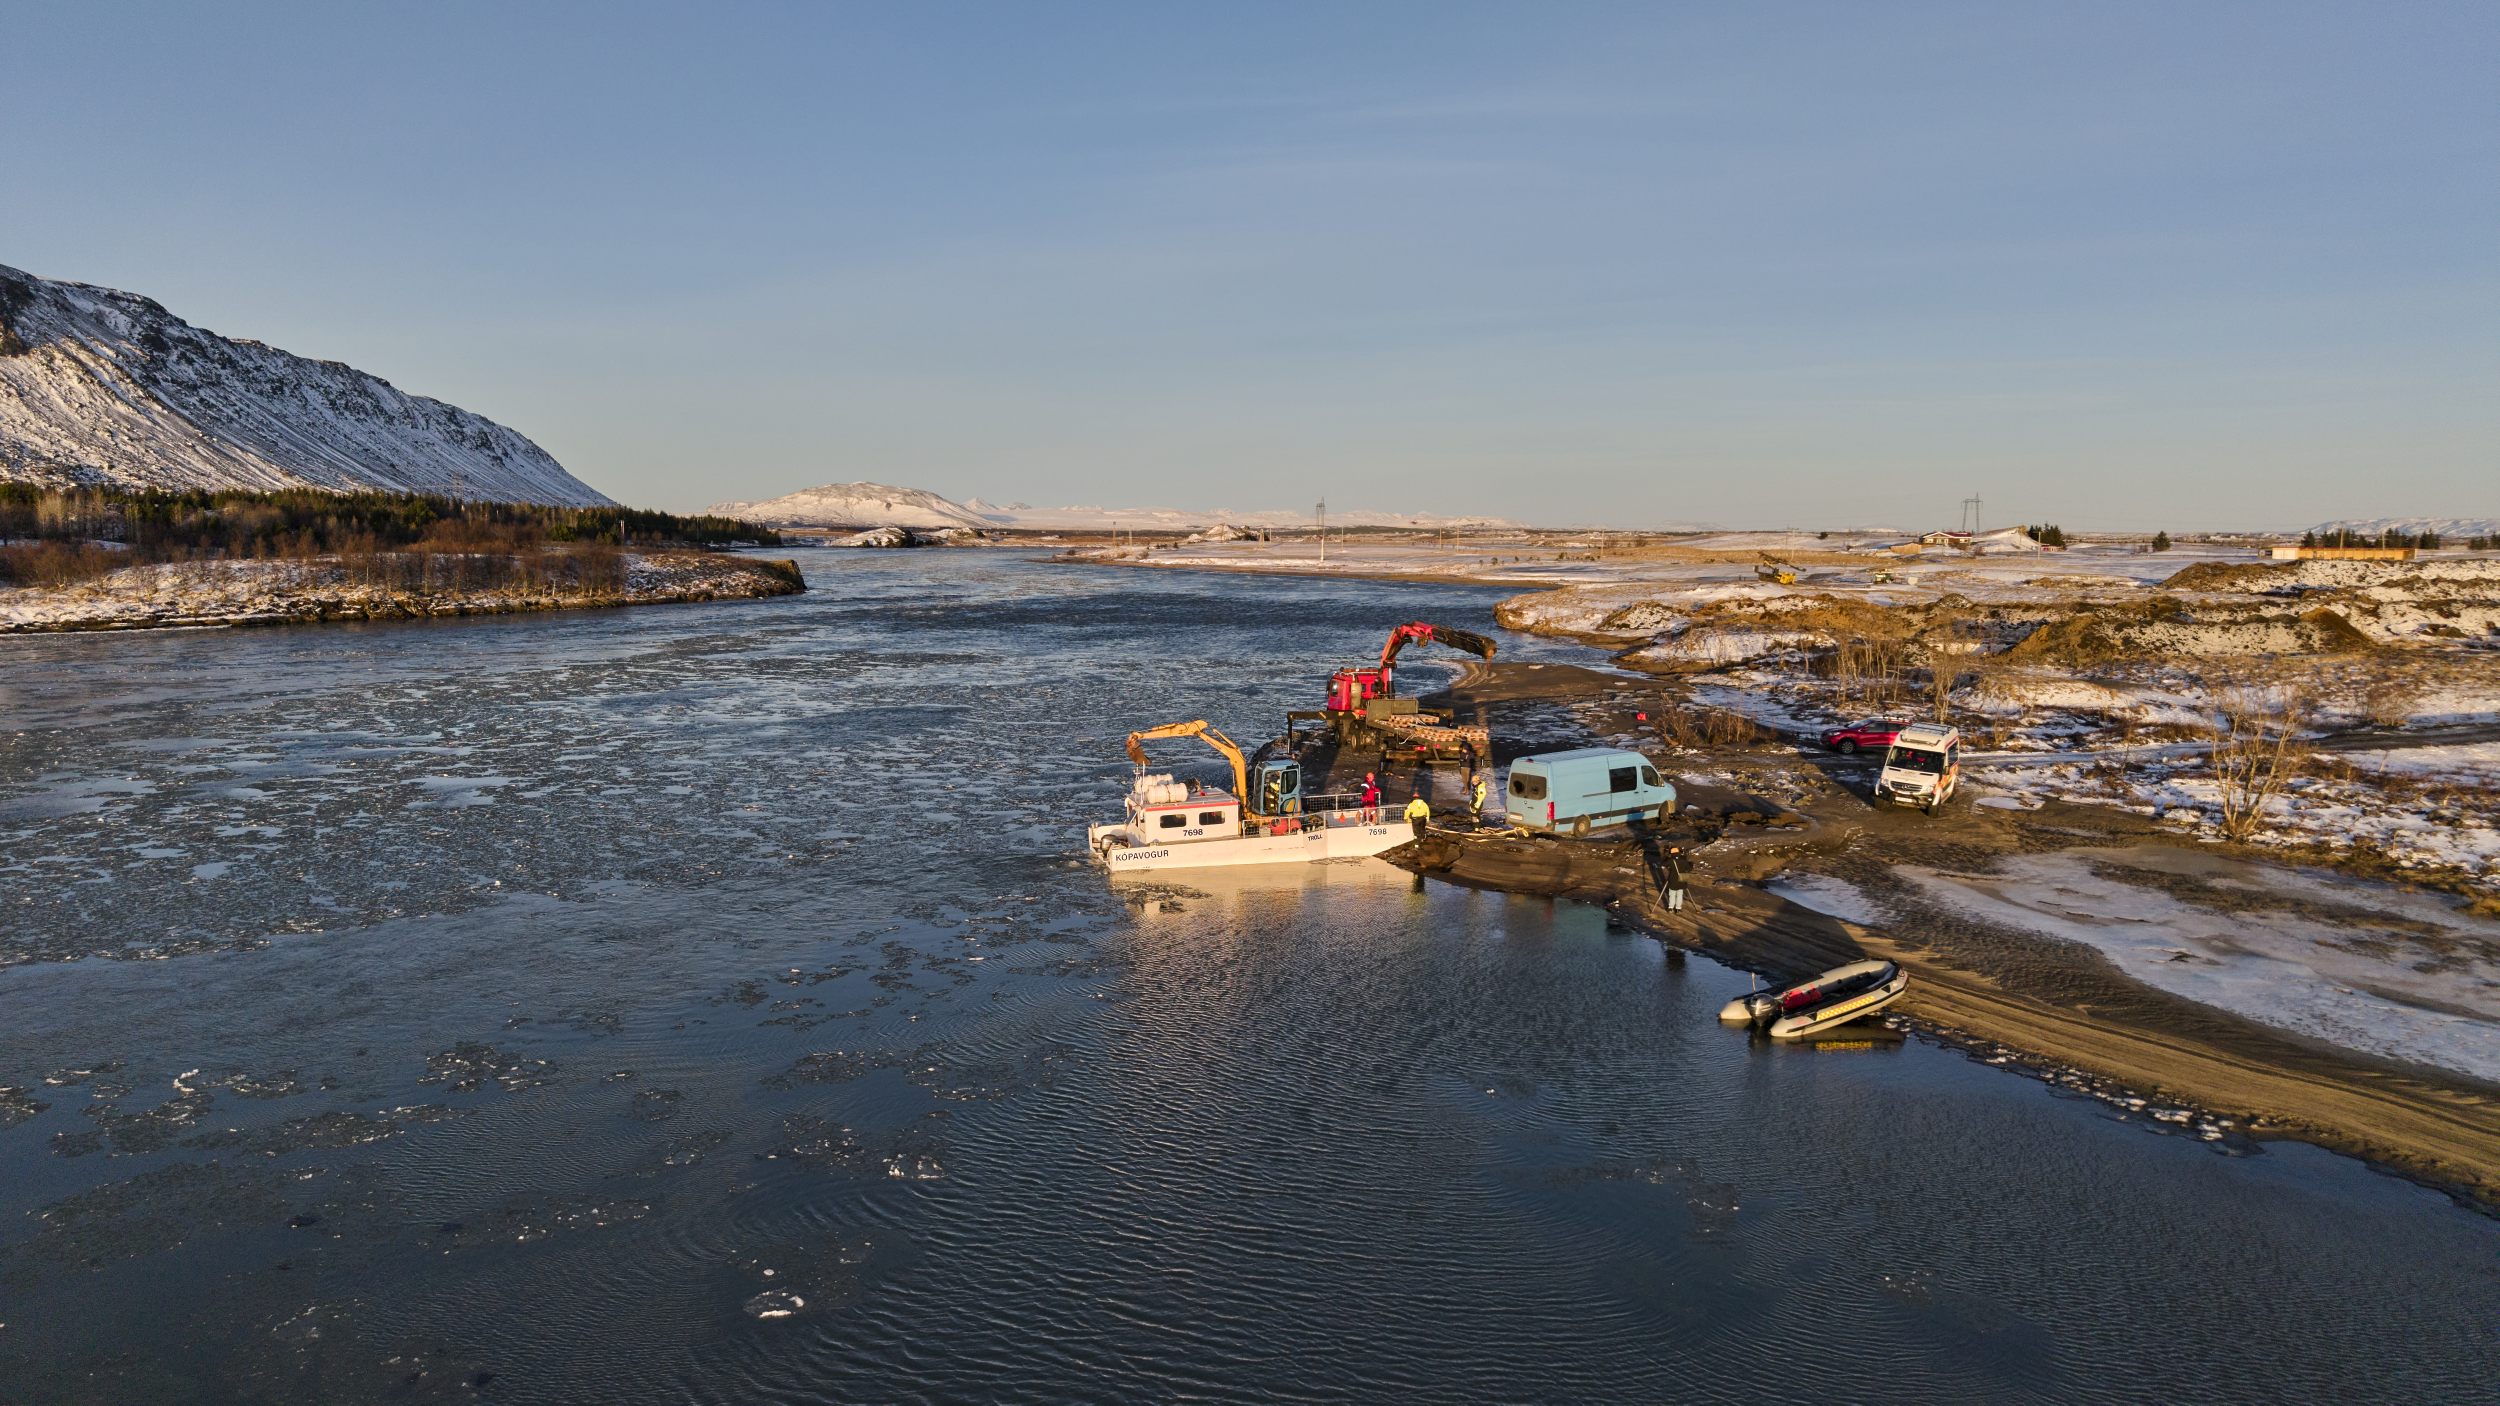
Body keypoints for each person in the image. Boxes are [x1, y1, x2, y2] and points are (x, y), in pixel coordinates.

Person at [1663, 844, 1689, 913]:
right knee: (1680, 894)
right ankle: (1678, 908)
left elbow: (1663, 864)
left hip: (1673, 878)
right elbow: (1689, 868)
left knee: (1672, 894)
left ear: (1671, 853)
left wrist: (1665, 855)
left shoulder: (1670, 860)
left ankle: (1671, 908)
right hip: (1683, 876)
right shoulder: (1683, 860)